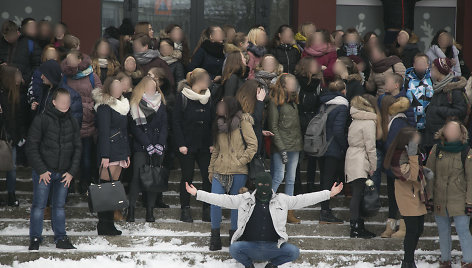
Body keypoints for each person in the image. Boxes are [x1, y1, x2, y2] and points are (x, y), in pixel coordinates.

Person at [185, 172, 344, 268]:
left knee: (293, 251)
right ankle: (249, 265)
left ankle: (272, 265)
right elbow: (221, 199)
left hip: (273, 246)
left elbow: (304, 199)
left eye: (266, 184)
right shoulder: (244, 199)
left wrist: (328, 194)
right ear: (256, 185)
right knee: (234, 249)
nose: (263, 187)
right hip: (249, 245)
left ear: (270, 186)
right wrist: (197, 194)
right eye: (260, 184)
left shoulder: (282, 200)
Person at [26, 87, 81, 250]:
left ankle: (61, 238)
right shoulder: (42, 119)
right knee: (39, 205)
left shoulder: (72, 121)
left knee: (59, 206)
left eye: (68, 102)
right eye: (63, 101)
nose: (66, 104)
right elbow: (31, 146)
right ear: (54, 102)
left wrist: (71, 172)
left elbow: (78, 148)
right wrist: (41, 169)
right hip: (44, 172)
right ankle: (35, 238)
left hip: (64, 173)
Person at [208, 96, 257, 251]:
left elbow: (252, 145)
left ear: (230, 107)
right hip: (219, 169)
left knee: (236, 205)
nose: (219, 108)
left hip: (238, 170)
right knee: (215, 202)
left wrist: (240, 161)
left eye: (222, 105)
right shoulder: (218, 124)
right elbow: (216, 149)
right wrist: (211, 169)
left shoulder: (243, 122)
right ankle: (215, 237)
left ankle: (234, 237)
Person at [426, 120, 472, 268]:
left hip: (459, 198)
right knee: (443, 232)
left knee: (463, 230)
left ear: (461, 133)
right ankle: (445, 260)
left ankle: (468, 261)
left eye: (455, 130)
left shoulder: (466, 151)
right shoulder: (437, 149)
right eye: (449, 129)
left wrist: (470, 201)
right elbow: (429, 174)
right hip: (440, 199)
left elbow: (471, 179)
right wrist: (429, 197)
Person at [173, 68, 213, 223]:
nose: (208, 82)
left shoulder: (208, 96)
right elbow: (176, 121)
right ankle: (185, 209)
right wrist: (181, 144)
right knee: (187, 176)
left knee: (207, 176)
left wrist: (212, 142)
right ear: (198, 81)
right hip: (187, 145)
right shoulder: (183, 96)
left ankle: (206, 208)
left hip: (204, 144)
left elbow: (211, 121)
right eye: (206, 79)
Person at [384, 127, 427, 268]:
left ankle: (409, 260)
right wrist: (413, 155)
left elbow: (416, 170)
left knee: (419, 228)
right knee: (412, 229)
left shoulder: (409, 152)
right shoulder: (399, 155)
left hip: (416, 193)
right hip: (407, 194)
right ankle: (407, 261)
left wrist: (425, 171)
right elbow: (411, 175)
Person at [92, 76, 130, 236]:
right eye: (114, 86)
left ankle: (109, 224)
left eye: (119, 86)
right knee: (105, 189)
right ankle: (104, 224)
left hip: (120, 150)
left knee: (113, 188)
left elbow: (125, 132)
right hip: (109, 151)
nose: (117, 89)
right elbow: (104, 132)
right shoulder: (104, 106)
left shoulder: (123, 105)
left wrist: (127, 153)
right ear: (108, 89)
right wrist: (105, 155)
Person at [61, 50, 103, 194]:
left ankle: (85, 182)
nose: (68, 62)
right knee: (69, 156)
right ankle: (69, 183)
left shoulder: (91, 75)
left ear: (79, 59)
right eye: (66, 60)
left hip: (88, 121)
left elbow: (100, 93)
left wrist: (91, 107)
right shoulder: (65, 76)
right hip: (70, 121)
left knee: (85, 157)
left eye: (71, 59)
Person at [127, 76, 167, 222]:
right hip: (141, 147)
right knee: (137, 178)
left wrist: (160, 144)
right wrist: (147, 144)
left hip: (158, 147)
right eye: (150, 86)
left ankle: (150, 211)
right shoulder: (136, 103)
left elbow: (164, 126)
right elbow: (135, 128)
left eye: (154, 86)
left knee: (153, 179)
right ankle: (130, 210)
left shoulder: (161, 104)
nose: (153, 88)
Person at [268, 73, 303, 224]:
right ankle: (264, 206)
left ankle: (288, 212)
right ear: (282, 84)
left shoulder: (294, 100)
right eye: (291, 82)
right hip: (281, 144)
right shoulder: (275, 101)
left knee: (291, 179)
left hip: (295, 144)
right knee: (278, 176)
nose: (294, 84)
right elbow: (273, 126)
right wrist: (281, 148)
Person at [345, 95, 379, 238]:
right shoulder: (368, 122)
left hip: (352, 156)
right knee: (358, 194)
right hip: (361, 158)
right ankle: (356, 227)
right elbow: (370, 146)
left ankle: (357, 225)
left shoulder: (355, 120)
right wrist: (373, 164)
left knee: (356, 193)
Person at [379, 95, 412, 239]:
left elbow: (391, 144)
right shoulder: (393, 121)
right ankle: (391, 226)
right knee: (392, 197)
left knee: (400, 197)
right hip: (393, 165)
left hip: (399, 164)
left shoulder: (398, 121)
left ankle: (403, 227)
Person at [318, 79, 349, 224]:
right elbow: (338, 130)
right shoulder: (342, 106)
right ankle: (325, 212)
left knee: (325, 178)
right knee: (328, 180)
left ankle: (324, 209)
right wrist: (345, 146)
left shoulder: (324, 103)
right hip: (333, 148)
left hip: (321, 146)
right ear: (343, 91)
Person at [424, 58, 468, 149]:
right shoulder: (438, 87)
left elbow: (461, 111)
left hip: (445, 138)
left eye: (433, 68)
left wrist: (438, 110)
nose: (431, 71)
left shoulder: (454, 90)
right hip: (432, 136)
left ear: (440, 70)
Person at [0, 65, 28, 207]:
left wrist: (19, 137)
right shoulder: (2, 96)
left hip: (13, 139)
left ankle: (11, 195)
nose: (20, 79)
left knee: (12, 168)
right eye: (17, 76)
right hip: (3, 137)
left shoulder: (18, 95)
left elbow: (20, 119)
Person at [294, 57, 323, 193]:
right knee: (298, 153)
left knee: (312, 154)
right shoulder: (296, 82)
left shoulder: (318, 83)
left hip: (313, 120)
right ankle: (297, 182)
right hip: (299, 120)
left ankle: (310, 182)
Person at [236, 80, 267, 161]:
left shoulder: (256, 105)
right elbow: (254, 120)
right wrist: (260, 101)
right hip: (244, 151)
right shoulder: (238, 106)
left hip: (255, 150)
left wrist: (261, 131)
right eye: (259, 91)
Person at [404, 54, 434, 132]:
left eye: (423, 63)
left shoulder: (432, 79)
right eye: (418, 63)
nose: (420, 65)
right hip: (410, 123)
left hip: (428, 124)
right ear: (414, 65)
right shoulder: (407, 80)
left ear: (427, 65)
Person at [12, 18, 42, 85]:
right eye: (30, 26)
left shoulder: (35, 44)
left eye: (35, 27)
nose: (33, 28)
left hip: (24, 83)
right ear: (23, 28)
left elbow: (36, 66)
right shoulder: (15, 41)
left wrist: (25, 79)